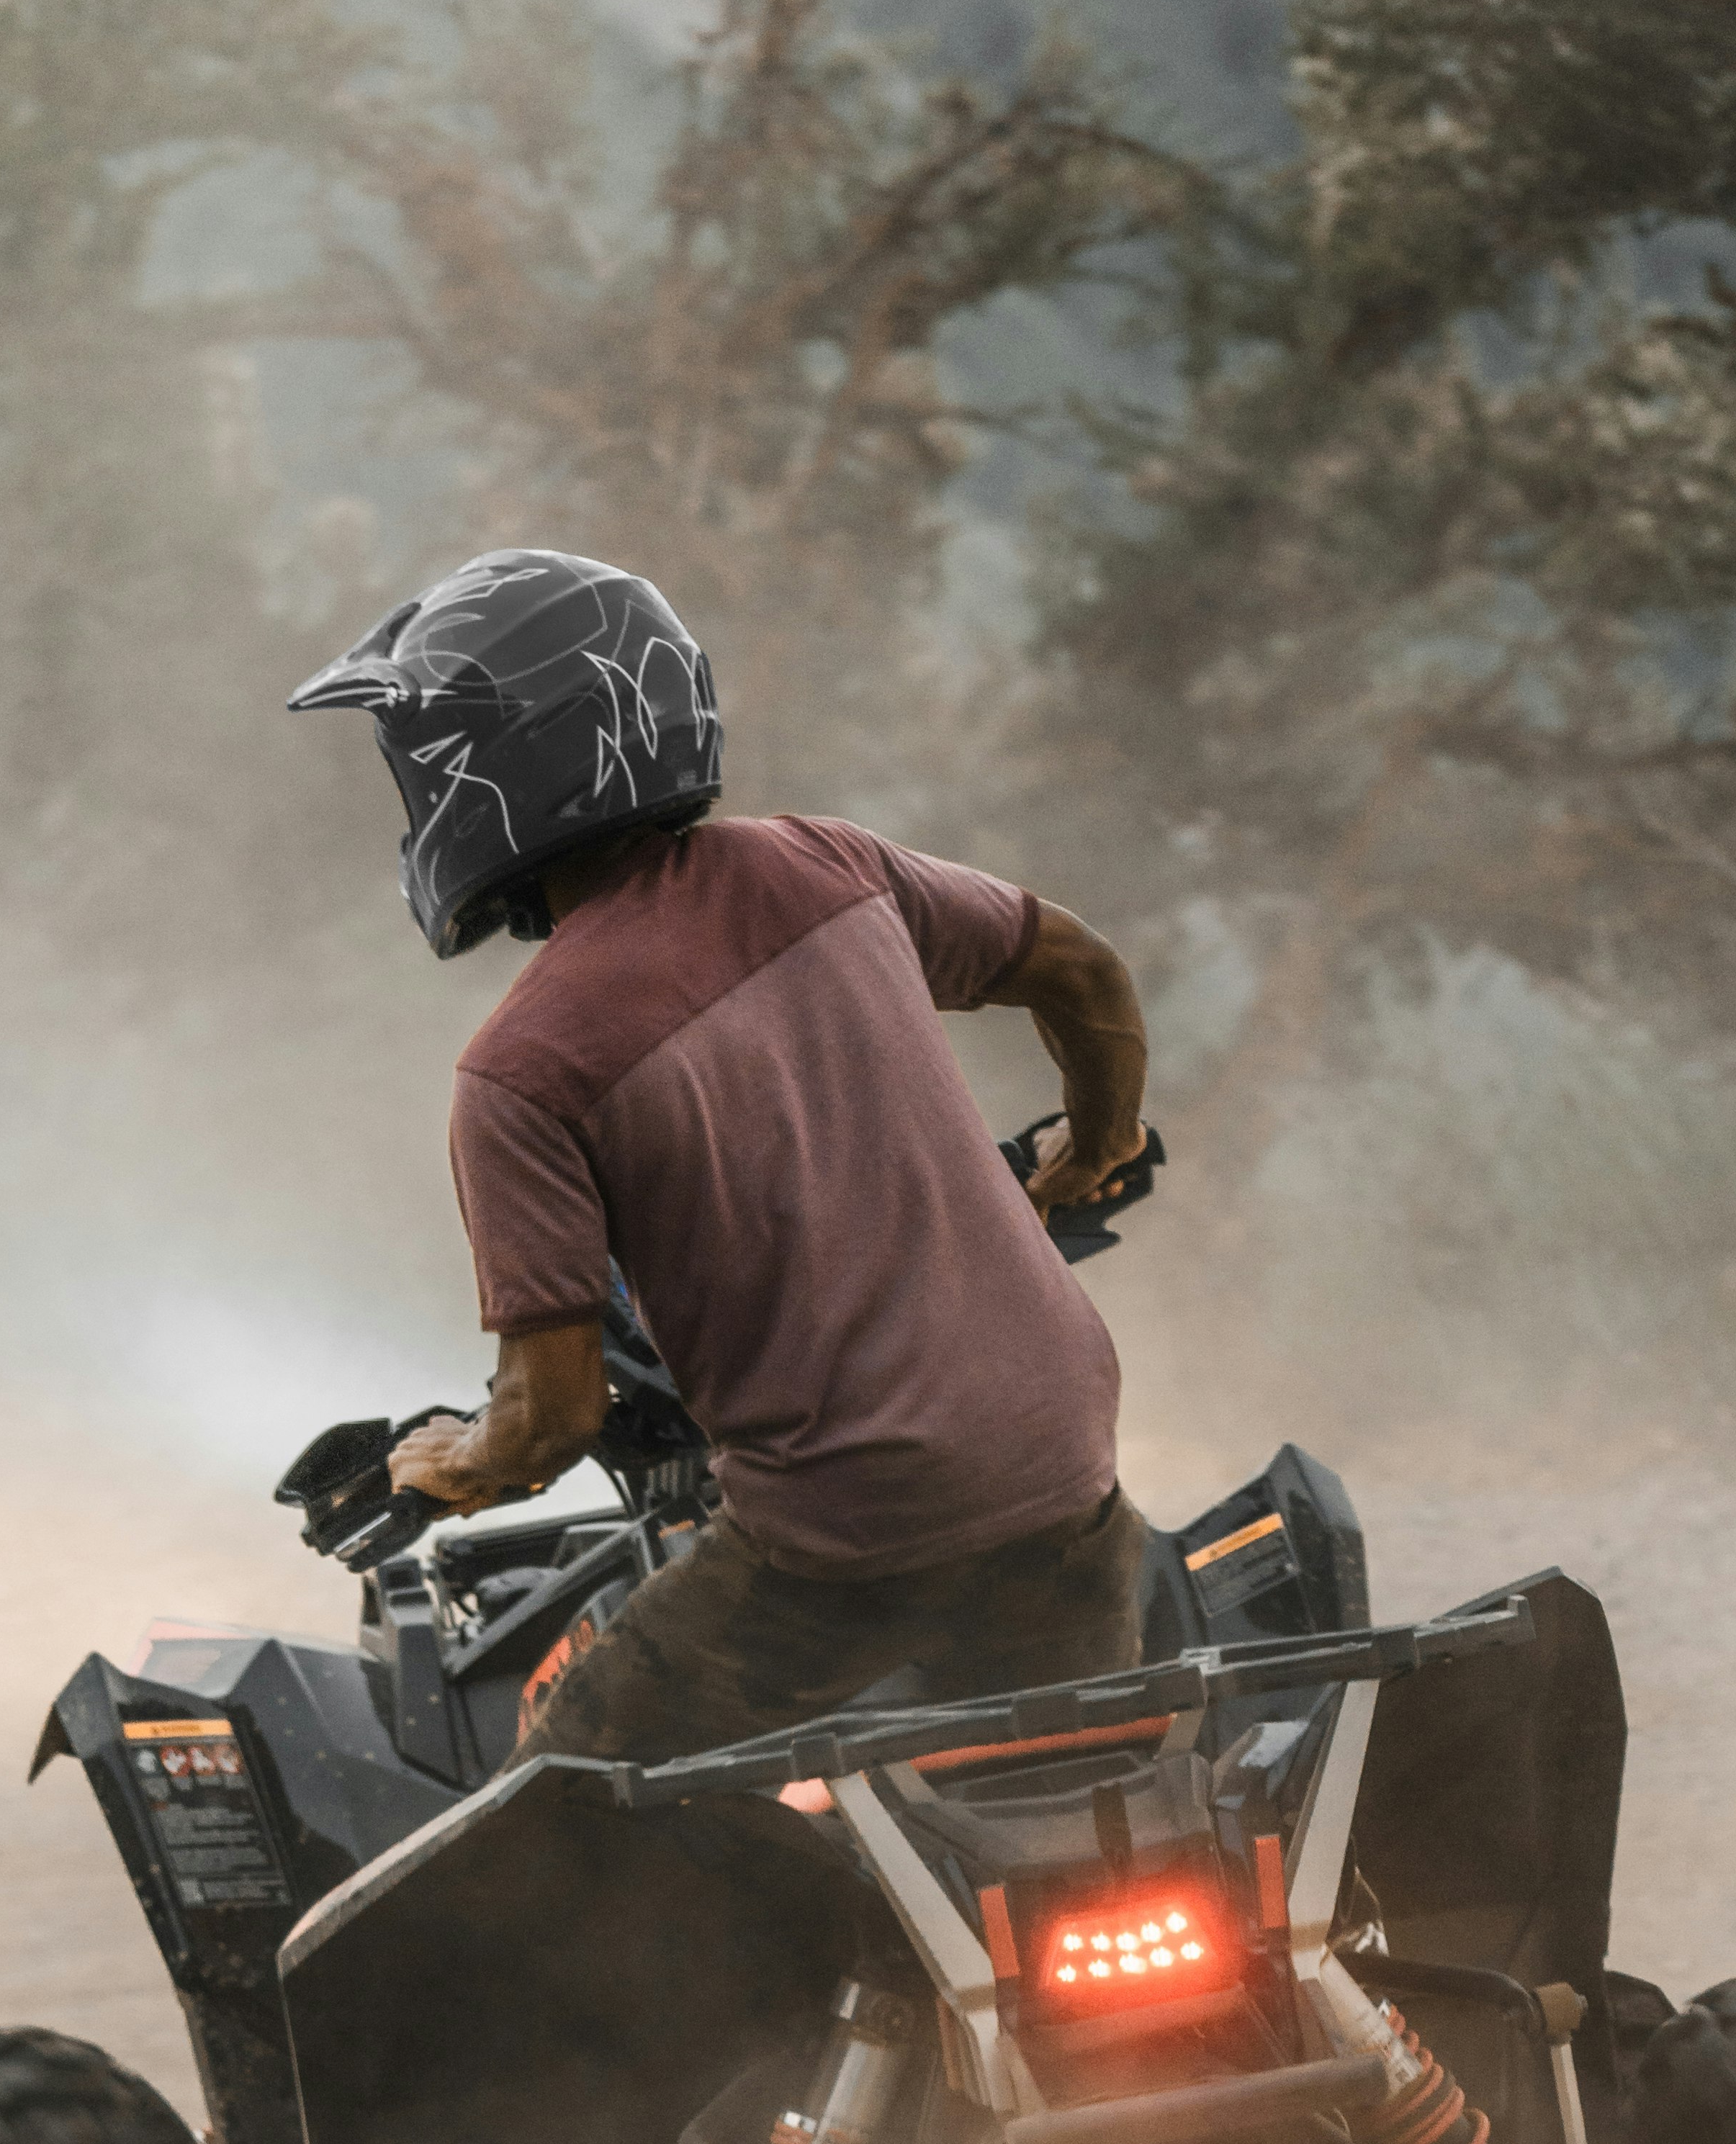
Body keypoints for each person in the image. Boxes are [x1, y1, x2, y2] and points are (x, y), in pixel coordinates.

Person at [287, 544, 1156, 1767]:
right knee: (1072, 1797)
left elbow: (548, 1419)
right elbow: (1081, 971)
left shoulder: (519, 1071)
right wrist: (1093, 1147)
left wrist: (451, 1466)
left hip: (850, 1535)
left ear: (482, 775)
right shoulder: (828, 866)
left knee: (569, 1790)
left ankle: (816, 1944)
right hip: (1064, 1469)